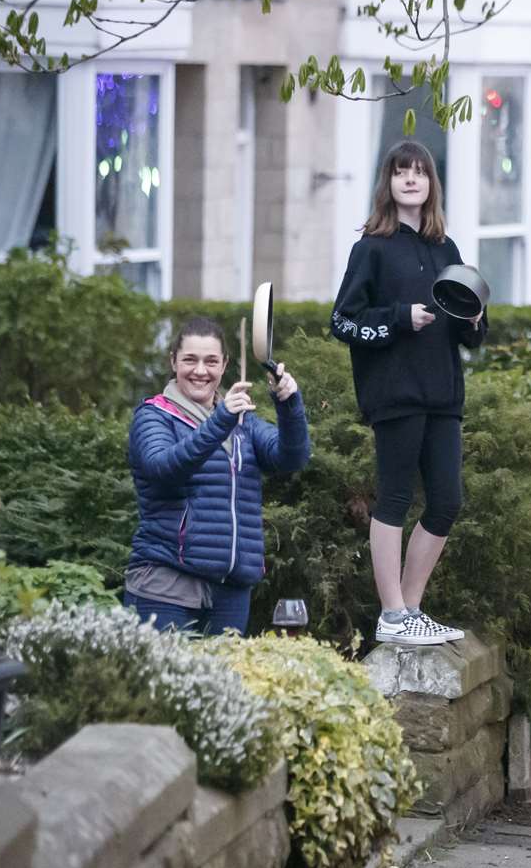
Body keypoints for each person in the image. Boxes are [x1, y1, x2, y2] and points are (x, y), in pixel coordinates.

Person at [331, 140, 488, 646]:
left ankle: (411, 608)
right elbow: (342, 321)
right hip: (395, 395)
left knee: (446, 501)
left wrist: (477, 320)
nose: (412, 180)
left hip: (444, 396)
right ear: (389, 183)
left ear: (431, 184)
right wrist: (400, 318)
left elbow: (468, 332)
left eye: (420, 172)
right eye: (402, 172)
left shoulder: (447, 250)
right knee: (395, 497)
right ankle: (392, 613)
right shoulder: (370, 249)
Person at [125, 317, 311, 636]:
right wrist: (220, 421)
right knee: (167, 686)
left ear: (224, 365)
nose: (201, 371)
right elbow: (163, 469)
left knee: (224, 685)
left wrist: (289, 404)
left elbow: (291, 458)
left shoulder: (243, 422)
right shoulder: (153, 416)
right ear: (173, 362)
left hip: (232, 591)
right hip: (166, 585)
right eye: (190, 360)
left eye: (211, 361)